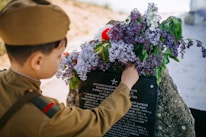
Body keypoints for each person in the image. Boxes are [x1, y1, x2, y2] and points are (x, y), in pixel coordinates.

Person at [0, 0, 139, 136]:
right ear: (37, 61)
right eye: (58, 55)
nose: (62, 59)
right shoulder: (46, 118)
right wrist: (125, 86)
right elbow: (95, 123)